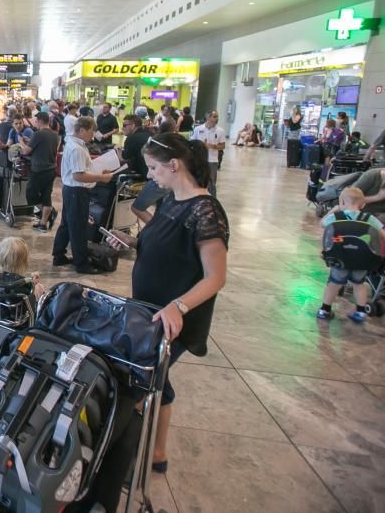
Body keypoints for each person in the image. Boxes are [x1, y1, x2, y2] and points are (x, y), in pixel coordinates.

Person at [104, 132, 228, 477]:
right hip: (147, 308)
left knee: (135, 386)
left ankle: (117, 458)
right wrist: (131, 242)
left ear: (174, 165)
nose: (151, 175)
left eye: (154, 168)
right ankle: (157, 452)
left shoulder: (205, 210)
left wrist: (179, 306)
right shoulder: (172, 199)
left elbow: (215, 277)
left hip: (171, 319)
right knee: (158, 379)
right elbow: (161, 245)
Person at [51, 116, 114, 274]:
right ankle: (81, 264)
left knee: (67, 224)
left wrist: (98, 172)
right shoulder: (77, 148)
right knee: (78, 227)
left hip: (71, 191)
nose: (93, 135)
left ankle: (59, 255)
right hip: (76, 191)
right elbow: (78, 176)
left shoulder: (76, 144)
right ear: (82, 130)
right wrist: (101, 178)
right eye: (92, 131)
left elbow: (83, 169)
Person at [316, 187, 381, 322]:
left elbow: (322, 224)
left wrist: (334, 210)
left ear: (341, 203)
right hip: (362, 260)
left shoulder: (337, 217)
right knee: (359, 284)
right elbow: (382, 233)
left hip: (340, 258)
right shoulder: (369, 218)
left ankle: (325, 310)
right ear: (363, 205)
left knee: (334, 283)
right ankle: (361, 312)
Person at [19, 112, 59, 232]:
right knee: (46, 196)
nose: (35, 123)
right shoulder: (54, 135)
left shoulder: (38, 134)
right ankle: (43, 223)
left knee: (30, 195)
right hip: (51, 169)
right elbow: (44, 147)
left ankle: (50, 212)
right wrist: (31, 140)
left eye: (36, 121)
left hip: (39, 170)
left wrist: (21, 142)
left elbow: (26, 151)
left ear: (40, 121)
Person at [191, 111, 226, 196]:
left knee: (211, 183)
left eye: (217, 116)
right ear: (208, 117)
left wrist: (211, 146)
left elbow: (222, 146)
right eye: (214, 116)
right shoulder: (198, 129)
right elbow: (192, 142)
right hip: (199, 159)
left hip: (212, 160)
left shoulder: (220, 131)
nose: (216, 118)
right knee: (196, 180)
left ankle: (212, 200)